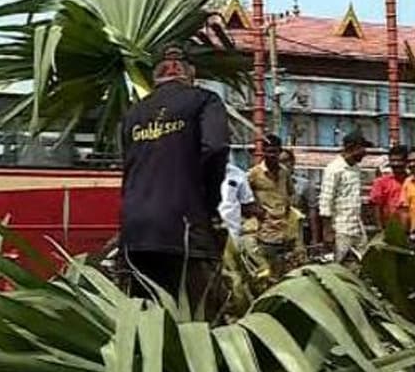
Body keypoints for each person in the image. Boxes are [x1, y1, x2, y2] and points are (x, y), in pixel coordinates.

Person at [120, 46, 229, 312]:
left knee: (145, 317)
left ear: (155, 75)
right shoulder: (205, 100)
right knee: (197, 318)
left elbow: (129, 166)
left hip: (135, 231)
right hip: (184, 226)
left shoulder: (133, 113)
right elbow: (215, 148)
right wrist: (210, 205)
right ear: (189, 72)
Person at [319, 131, 371, 262]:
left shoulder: (355, 169)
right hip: (340, 228)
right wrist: (328, 231)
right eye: (362, 148)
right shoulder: (334, 169)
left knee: (364, 261)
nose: (365, 152)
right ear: (351, 147)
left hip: (356, 226)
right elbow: (326, 201)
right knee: (337, 264)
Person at [247, 134, 296, 275]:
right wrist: (257, 211)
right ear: (263, 152)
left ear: (280, 152)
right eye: (268, 151)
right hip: (265, 233)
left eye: (274, 151)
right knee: (266, 274)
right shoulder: (254, 174)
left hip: (285, 233)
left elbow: (290, 196)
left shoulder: (284, 173)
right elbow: (244, 199)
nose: (271, 155)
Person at [369, 143, 409, 229]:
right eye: (393, 161)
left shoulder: (412, 182)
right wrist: (380, 230)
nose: (396, 164)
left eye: (399, 160)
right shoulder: (381, 182)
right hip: (389, 229)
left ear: (406, 162)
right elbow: (376, 207)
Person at [218, 162, 257, 241]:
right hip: (203, 232)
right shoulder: (193, 172)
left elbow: (247, 204)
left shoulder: (237, 174)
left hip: (231, 232)